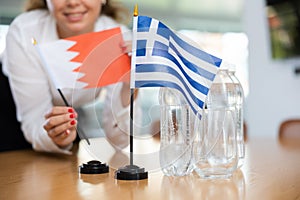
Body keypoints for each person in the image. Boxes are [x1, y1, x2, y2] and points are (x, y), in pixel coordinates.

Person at [2, 0, 138, 154]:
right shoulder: (24, 31)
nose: (73, 2)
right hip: (11, 108)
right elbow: (34, 120)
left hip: (68, 116)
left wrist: (129, 88)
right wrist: (56, 138)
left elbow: (121, 140)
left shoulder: (118, 38)